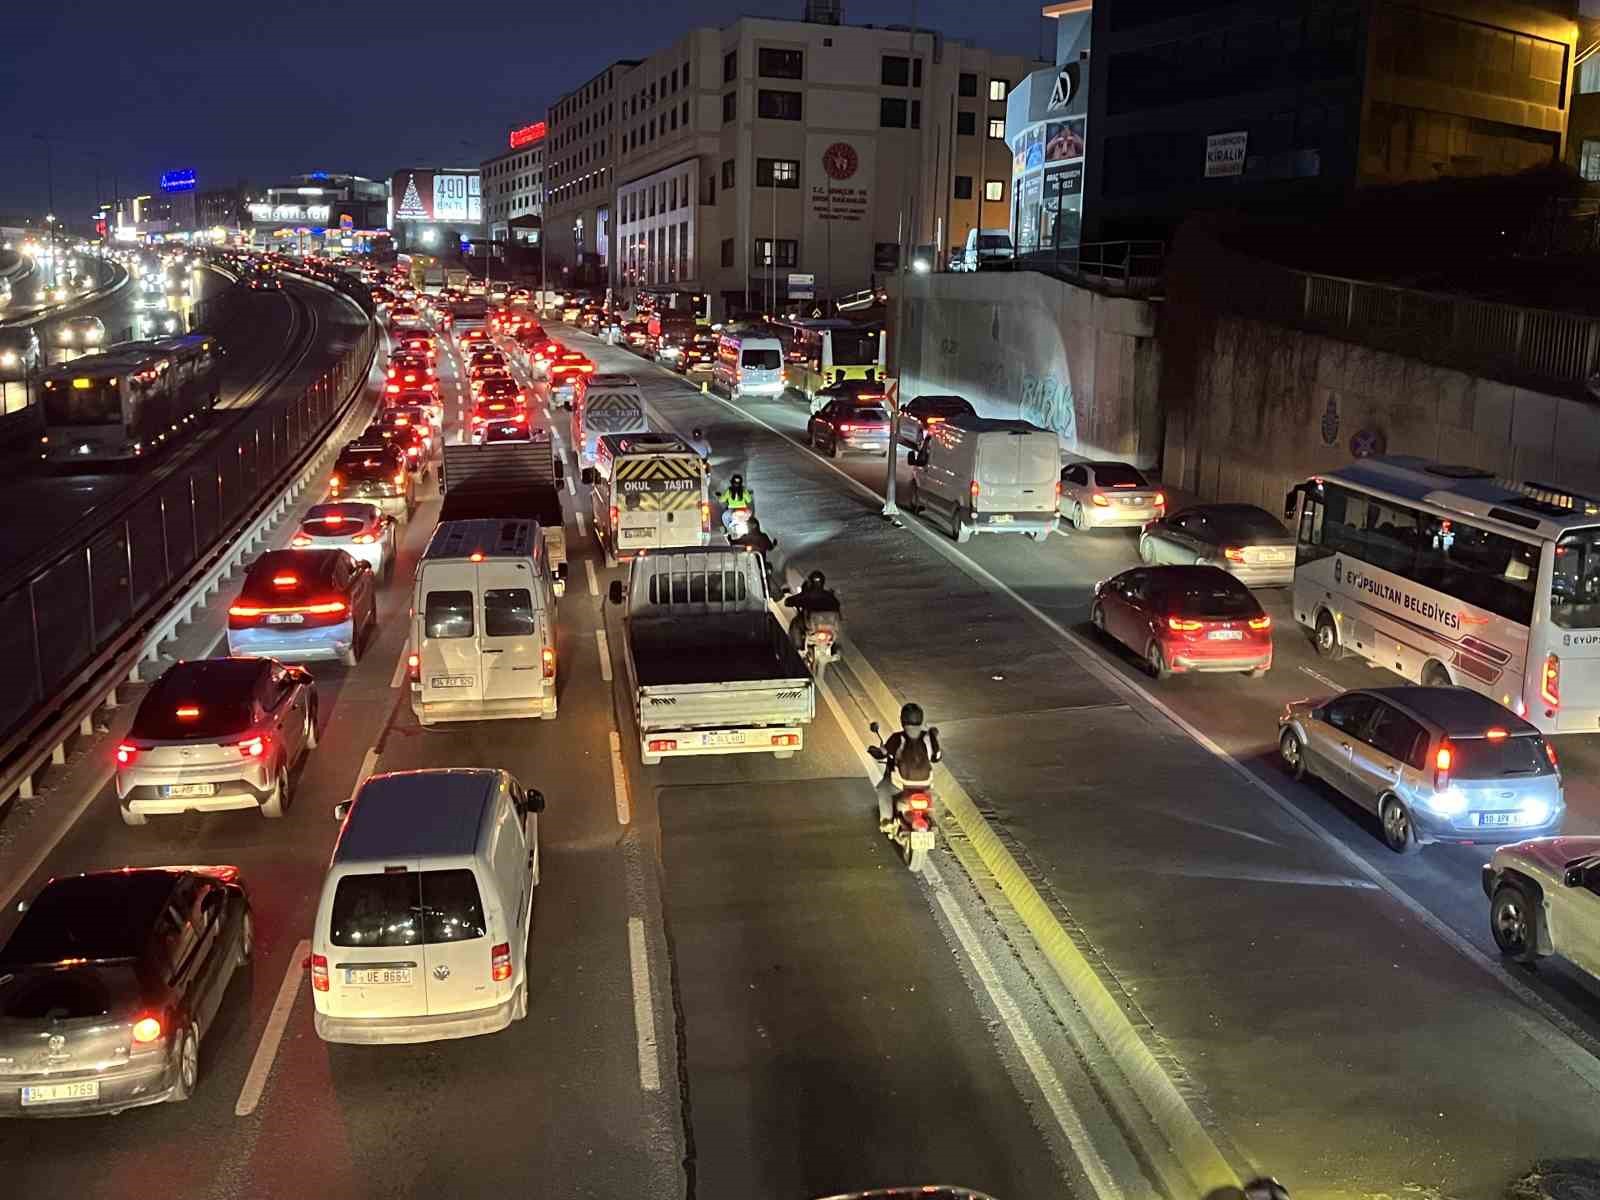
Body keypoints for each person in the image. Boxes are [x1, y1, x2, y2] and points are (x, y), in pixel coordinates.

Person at [876, 702, 941, 831]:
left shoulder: (898, 737)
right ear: (921, 719)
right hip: (925, 783)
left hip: (902, 784)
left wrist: (877, 752)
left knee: (883, 789)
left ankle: (887, 821)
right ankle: (931, 821)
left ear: (902, 719)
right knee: (932, 797)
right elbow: (937, 757)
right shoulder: (928, 737)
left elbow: (883, 753)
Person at [783, 569, 841, 650]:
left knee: (795, 623)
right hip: (830, 626)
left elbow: (789, 602)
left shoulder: (807, 594)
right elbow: (837, 606)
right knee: (836, 636)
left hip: (812, 625)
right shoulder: (829, 595)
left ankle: (797, 648)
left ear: (810, 582)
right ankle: (834, 648)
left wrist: (789, 601)